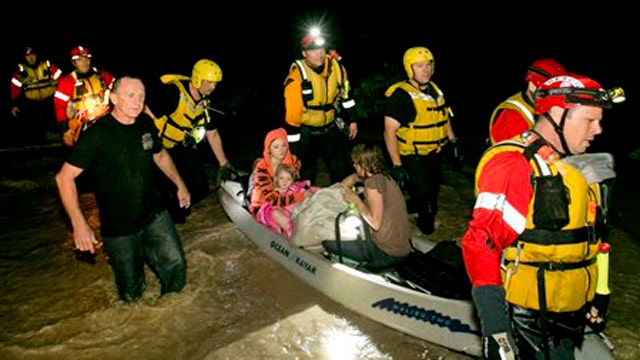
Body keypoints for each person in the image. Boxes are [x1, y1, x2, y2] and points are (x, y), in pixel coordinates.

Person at [461, 73, 624, 359]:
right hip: (526, 321)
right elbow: (481, 243)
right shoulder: (514, 164)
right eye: (590, 120)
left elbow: (594, 240)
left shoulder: (574, 166)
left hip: (567, 316)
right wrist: (497, 330)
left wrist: (596, 295)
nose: (598, 129)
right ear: (559, 113)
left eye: (600, 121)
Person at [55, 75, 190, 303]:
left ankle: (172, 321)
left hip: (154, 214)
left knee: (176, 268)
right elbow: (64, 178)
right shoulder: (97, 135)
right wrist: (79, 225)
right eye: (131, 95)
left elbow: (160, 154)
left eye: (141, 96)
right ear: (114, 98)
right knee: (131, 294)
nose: (137, 102)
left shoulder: (146, 123)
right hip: (118, 228)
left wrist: (180, 184)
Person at [145, 59, 238, 224]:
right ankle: (169, 221)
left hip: (182, 145)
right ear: (197, 79)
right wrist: (150, 146)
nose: (213, 87)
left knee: (200, 189)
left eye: (215, 83)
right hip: (159, 149)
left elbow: (213, 133)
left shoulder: (207, 101)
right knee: (171, 196)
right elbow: (146, 116)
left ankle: (183, 209)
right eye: (209, 82)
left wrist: (224, 163)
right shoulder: (172, 93)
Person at [383, 46, 461, 235]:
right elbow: (389, 132)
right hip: (412, 155)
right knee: (425, 196)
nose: (425, 70)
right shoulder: (400, 96)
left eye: (428, 65)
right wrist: (397, 165)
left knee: (432, 191)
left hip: (435, 153)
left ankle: (417, 206)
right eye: (419, 66)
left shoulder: (435, 90)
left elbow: (443, 116)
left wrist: (453, 142)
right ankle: (425, 226)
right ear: (409, 69)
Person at [283, 28, 357, 185]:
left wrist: (352, 120)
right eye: (312, 50)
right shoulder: (296, 78)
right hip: (306, 133)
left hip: (330, 128)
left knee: (342, 170)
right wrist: (294, 153)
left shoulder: (337, 67)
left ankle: (344, 203)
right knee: (304, 175)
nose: (318, 53)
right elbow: (292, 120)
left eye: (321, 48)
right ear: (304, 53)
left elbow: (346, 96)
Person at [322, 142, 412, 270]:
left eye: (356, 163)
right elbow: (346, 182)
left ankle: (358, 266)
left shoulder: (372, 184)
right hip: (400, 247)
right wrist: (355, 178)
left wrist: (355, 199)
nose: (353, 165)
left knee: (327, 243)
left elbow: (375, 223)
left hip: (386, 252)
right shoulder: (384, 177)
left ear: (364, 164)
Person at [488, 58, 567, 145]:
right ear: (531, 85)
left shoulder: (544, 108)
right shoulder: (512, 115)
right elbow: (517, 153)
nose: (551, 97)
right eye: (546, 92)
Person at [53, 45, 115, 147]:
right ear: (73, 63)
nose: (84, 62)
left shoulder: (103, 76)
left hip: (106, 121)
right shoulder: (67, 82)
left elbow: (120, 93)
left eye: (86, 58)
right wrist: (65, 131)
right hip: (83, 127)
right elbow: (59, 107)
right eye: (80, 60)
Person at [249, 128, 312, 225]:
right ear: (268, 149)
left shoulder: (293, 161)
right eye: (276, 147)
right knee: (277, 214)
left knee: (313, 193)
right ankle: (294, 233)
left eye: (284, 146)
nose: (281, 150)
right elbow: (273, 200)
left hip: (286, 195)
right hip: (265, 203)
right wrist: (301, 196)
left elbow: (294, 179)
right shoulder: (262, 167)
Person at [9, 46, 62, 146]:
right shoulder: (21, 71)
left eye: (33, 54)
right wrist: (14, 105)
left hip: (50, 100)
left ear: (37, 55)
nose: (31, 58)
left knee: (53, 118)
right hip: (31, 102)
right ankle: (33, 139)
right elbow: (14, 88)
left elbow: (62, 81)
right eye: (27, 55)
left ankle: (55, 136)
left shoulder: (48, 66)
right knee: (28, 120)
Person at [255, 162, 319, 237]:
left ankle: (312, 229)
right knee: (276, 213)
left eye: (288, 179)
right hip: (283, 216)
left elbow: (312, 191)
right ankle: (294, 234)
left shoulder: (296, 188)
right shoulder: (273, 192)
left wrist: (309, 193)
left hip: (299, 214)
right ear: (276, 178)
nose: (284, 182)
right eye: (281, 178)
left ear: (293, 180)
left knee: (310, 197)